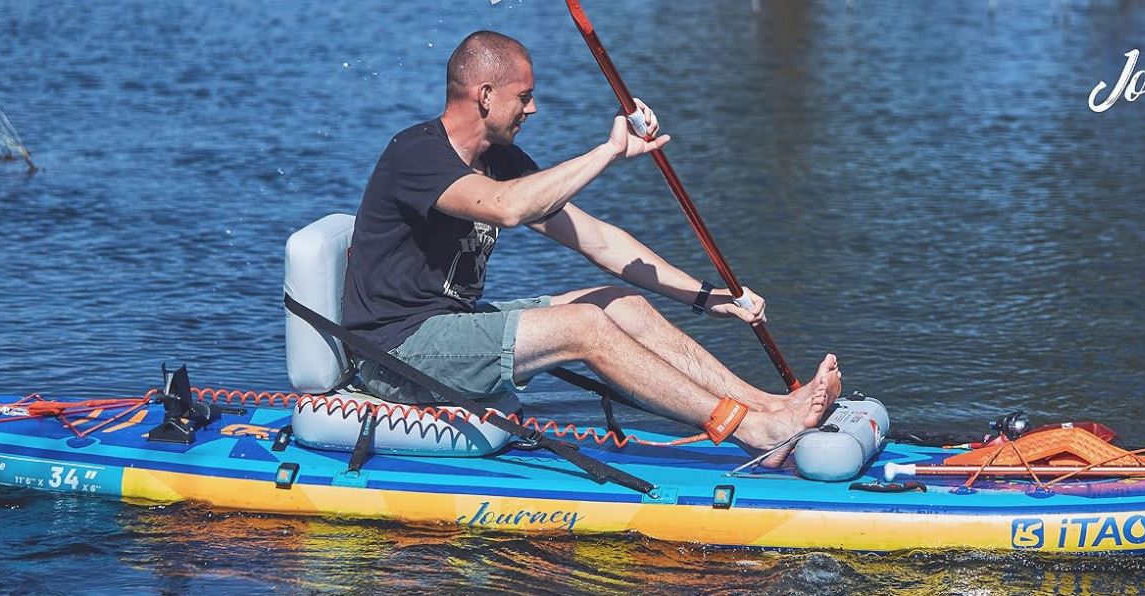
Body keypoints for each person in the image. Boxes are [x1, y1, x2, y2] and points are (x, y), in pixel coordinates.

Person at [343, 30, 839, 466]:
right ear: (485, 95)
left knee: (619, 303)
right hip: (396, 352)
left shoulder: (502, 159)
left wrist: (709, 298)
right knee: (584, 327)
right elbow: (506, 208)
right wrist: (607, 152)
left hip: (452, 329)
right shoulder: (417, 154)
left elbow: (600, 240)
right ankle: (749, 431)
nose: (532, 108)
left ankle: (768, 407)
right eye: (525, 96)